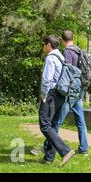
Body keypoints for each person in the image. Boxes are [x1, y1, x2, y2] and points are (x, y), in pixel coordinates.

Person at [32, 30, 89, 157]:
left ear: (63, 41)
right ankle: (83, 148)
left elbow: (59, 76)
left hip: (65, 93)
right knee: (80, 122)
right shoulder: (79, 51)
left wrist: (44, 95)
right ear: (73, 38)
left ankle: (53, 149)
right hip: (77, 92)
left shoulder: (67, 53)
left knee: (53, 124)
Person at [38, 35, 75, 166]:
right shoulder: (62, 57)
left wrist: (43, 96)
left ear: (48, 45)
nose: (43, 47)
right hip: (61, 95)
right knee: (53, 125)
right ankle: (49, 157)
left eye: (44, 45)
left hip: (51, 94)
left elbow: (47, 79)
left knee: (45, 124)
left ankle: (65, 151)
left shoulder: (51, 58)